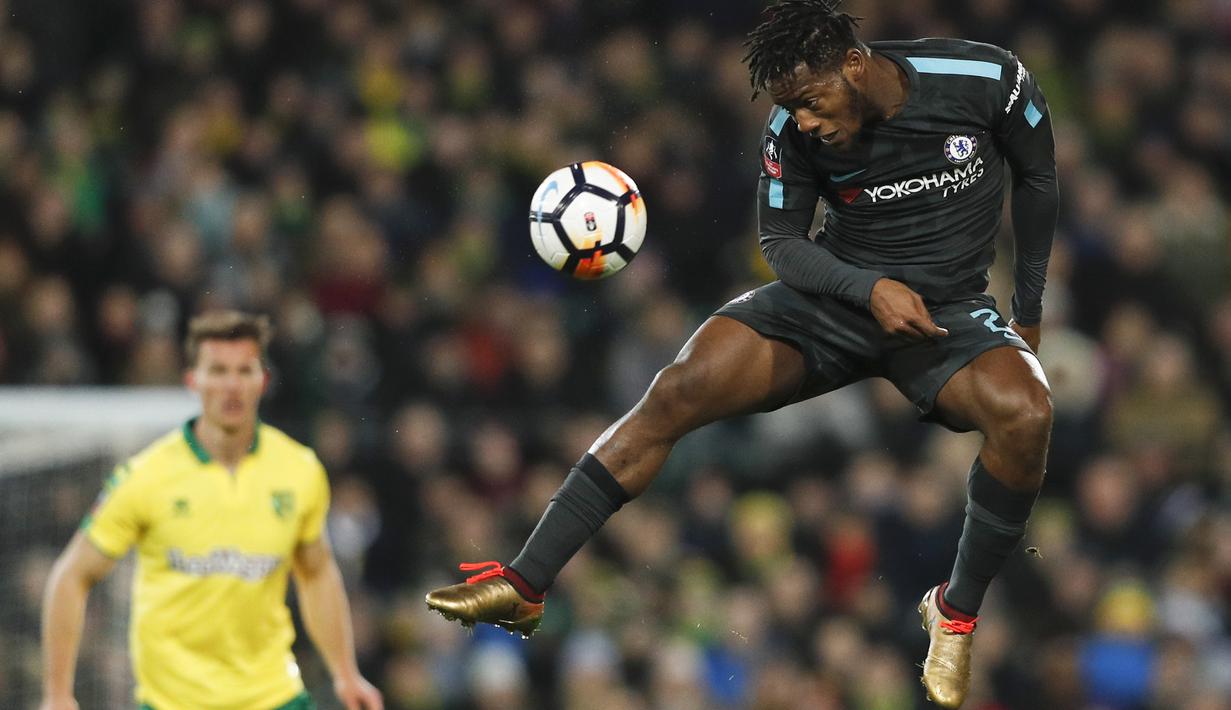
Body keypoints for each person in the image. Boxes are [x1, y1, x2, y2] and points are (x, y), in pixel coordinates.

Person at [426, 1, 1057, 707]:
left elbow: (1036, 178)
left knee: (1026, 412)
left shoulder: (983, 78)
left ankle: (954, 611)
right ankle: (525, 584)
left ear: (854, 64)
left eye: (812, 102)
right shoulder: (790, 127)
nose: (805, 121)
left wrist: (1027, 313)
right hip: (838, 297)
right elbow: (781, 246)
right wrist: (868, 286)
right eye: (791, 107)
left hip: (944, 313)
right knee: (677, 387)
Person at [40, 311, 383, 710]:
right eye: (218, 371)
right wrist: (58, 695)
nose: (232, 386)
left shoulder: (299, 471)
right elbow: (71, 575)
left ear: (263, 381)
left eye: (244, 370)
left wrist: (345, 672)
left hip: (273, 697)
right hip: (173, 703)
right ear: (193, 381)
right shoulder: (145, 476)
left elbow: (317, 572)